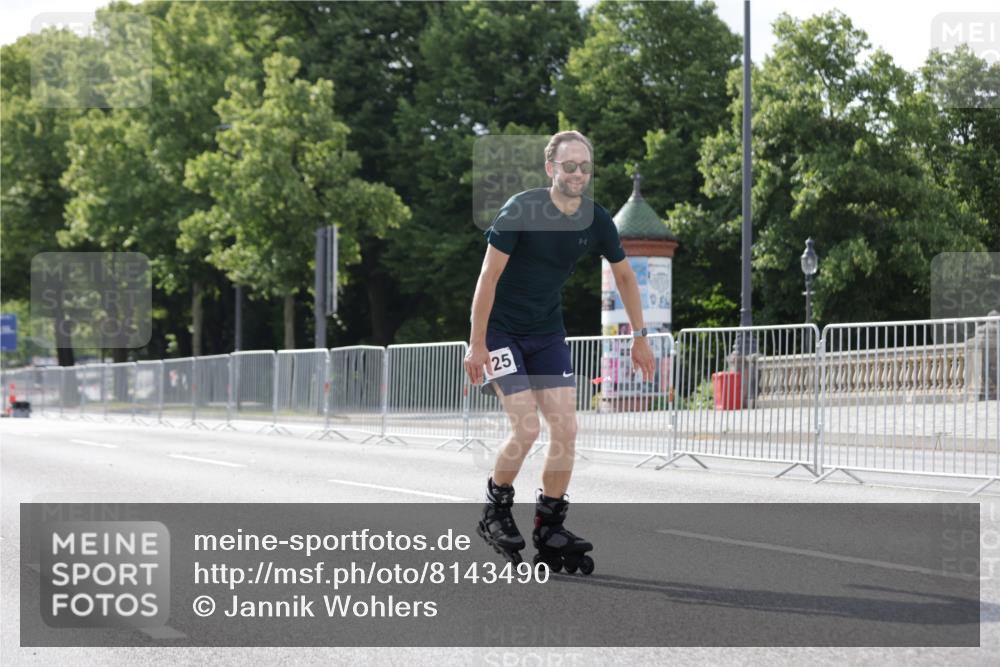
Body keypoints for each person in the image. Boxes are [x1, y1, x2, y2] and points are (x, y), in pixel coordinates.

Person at [463, 130, 655, 574]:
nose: (578, 174)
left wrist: (639, 335)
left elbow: (625, 276)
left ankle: (550, 525)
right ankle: (496, 507)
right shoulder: (523, 209)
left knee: (566, 430)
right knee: (527, 427)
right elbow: (487, 277)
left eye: (584, 167)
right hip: (501, 332)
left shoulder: (597, 219)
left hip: (547, 333)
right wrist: (477, 344)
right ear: (551, 169)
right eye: (569, 166)